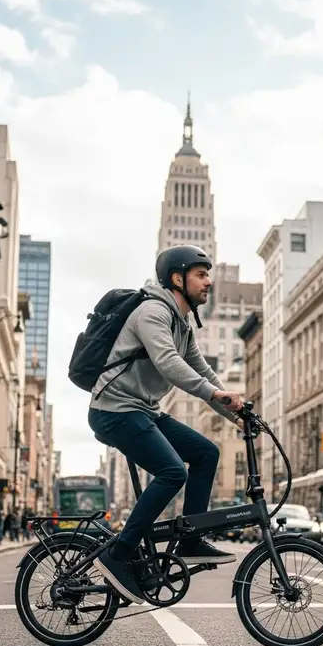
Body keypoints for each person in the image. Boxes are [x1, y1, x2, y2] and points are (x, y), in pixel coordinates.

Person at [89, 245, 244, 604]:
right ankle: (118, 554)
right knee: (173, 472)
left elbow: (202, 371)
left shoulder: (182, 322)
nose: (209, 282)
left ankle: (190, 537)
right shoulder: (152, 312)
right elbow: (169, 363)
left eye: (209, 274)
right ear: (178, 278)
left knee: (206, 452)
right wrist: (215, 394)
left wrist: (238, 416)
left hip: (143, 410)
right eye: (201, 274)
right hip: (114, 409)